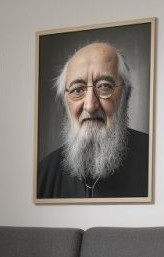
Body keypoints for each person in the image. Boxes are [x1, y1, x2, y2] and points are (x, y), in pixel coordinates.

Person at [37, 43, 148, 198]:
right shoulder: (44, 173)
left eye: (104, 86)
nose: (90, 105)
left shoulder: (154, 158)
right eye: (77, 90)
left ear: (124, 94)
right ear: (65, 100)